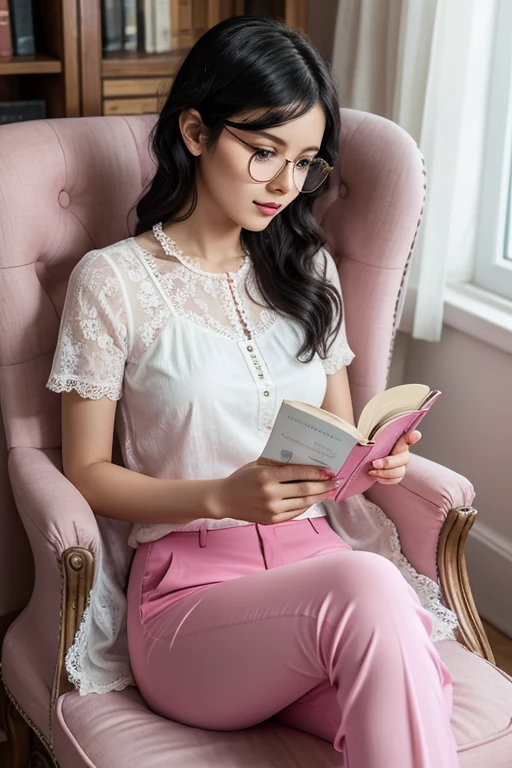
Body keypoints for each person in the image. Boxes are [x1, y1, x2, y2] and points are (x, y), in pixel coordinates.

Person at [46, 14, 459, 768]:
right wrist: (219, 499)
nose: (285, 184)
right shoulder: (113, 282)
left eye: (305, 163)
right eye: (264, 151)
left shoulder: (308, 272)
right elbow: (87, 475)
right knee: (374, 597)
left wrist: (377, 461)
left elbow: (340, 441)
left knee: (412, 687)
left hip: (317, 574)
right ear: (197, 131)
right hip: (190, 603)